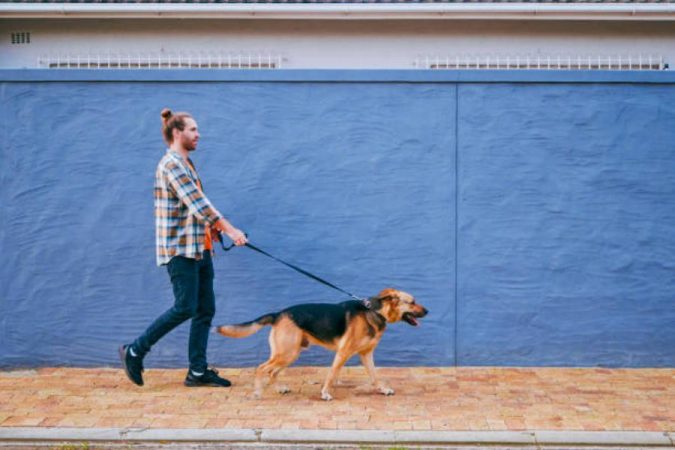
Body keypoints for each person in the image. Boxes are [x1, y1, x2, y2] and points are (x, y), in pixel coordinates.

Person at [119, 108, 247, 388]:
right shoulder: (172, 164)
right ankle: (135, 350)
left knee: (204, 309)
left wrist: (214, 230)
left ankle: (197, 371)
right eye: (192, 129)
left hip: (199, 249)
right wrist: (230, 230)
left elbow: (193, 208)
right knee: (185, 306)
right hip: (181, 250)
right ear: (177, 132)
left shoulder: (186, 163)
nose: (198, 134)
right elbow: (199, 204)